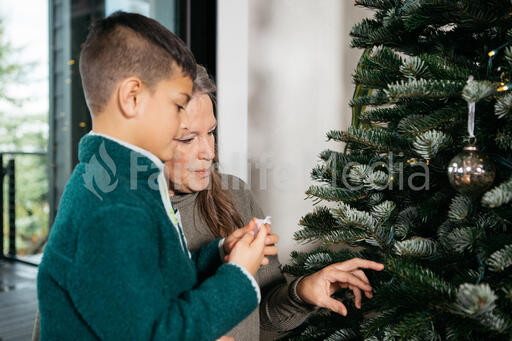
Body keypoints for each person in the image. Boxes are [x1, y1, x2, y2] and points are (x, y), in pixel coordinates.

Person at [37, 12, 272, 340]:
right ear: (132, 98)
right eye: (177, 106)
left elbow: (153, 281)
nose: (180, 123)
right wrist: (238, 275)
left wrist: (218, 253)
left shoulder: (129, 182)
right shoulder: (112, 206)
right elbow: (155, 333)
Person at [165, 65, 385, 340]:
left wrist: (303, 292)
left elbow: (262, 319)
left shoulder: (234, 195)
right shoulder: (131, 217)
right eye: (188, 138)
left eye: (210, 132)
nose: (208, 151)